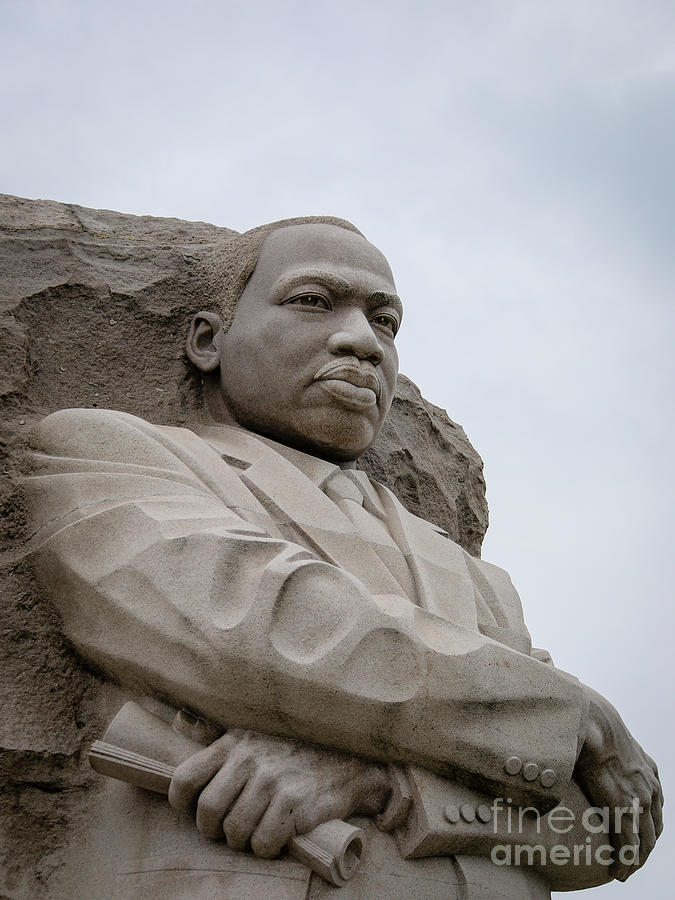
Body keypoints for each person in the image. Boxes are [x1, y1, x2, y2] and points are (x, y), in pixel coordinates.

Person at [27, 217, 662, 899]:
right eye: (312, 301)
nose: (362, 341)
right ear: (209, 340)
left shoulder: (480, 585)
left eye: (384, 322)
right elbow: (262, 629)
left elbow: (610, 829)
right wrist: (574, 715)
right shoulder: (104, 453)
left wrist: (389, 784)